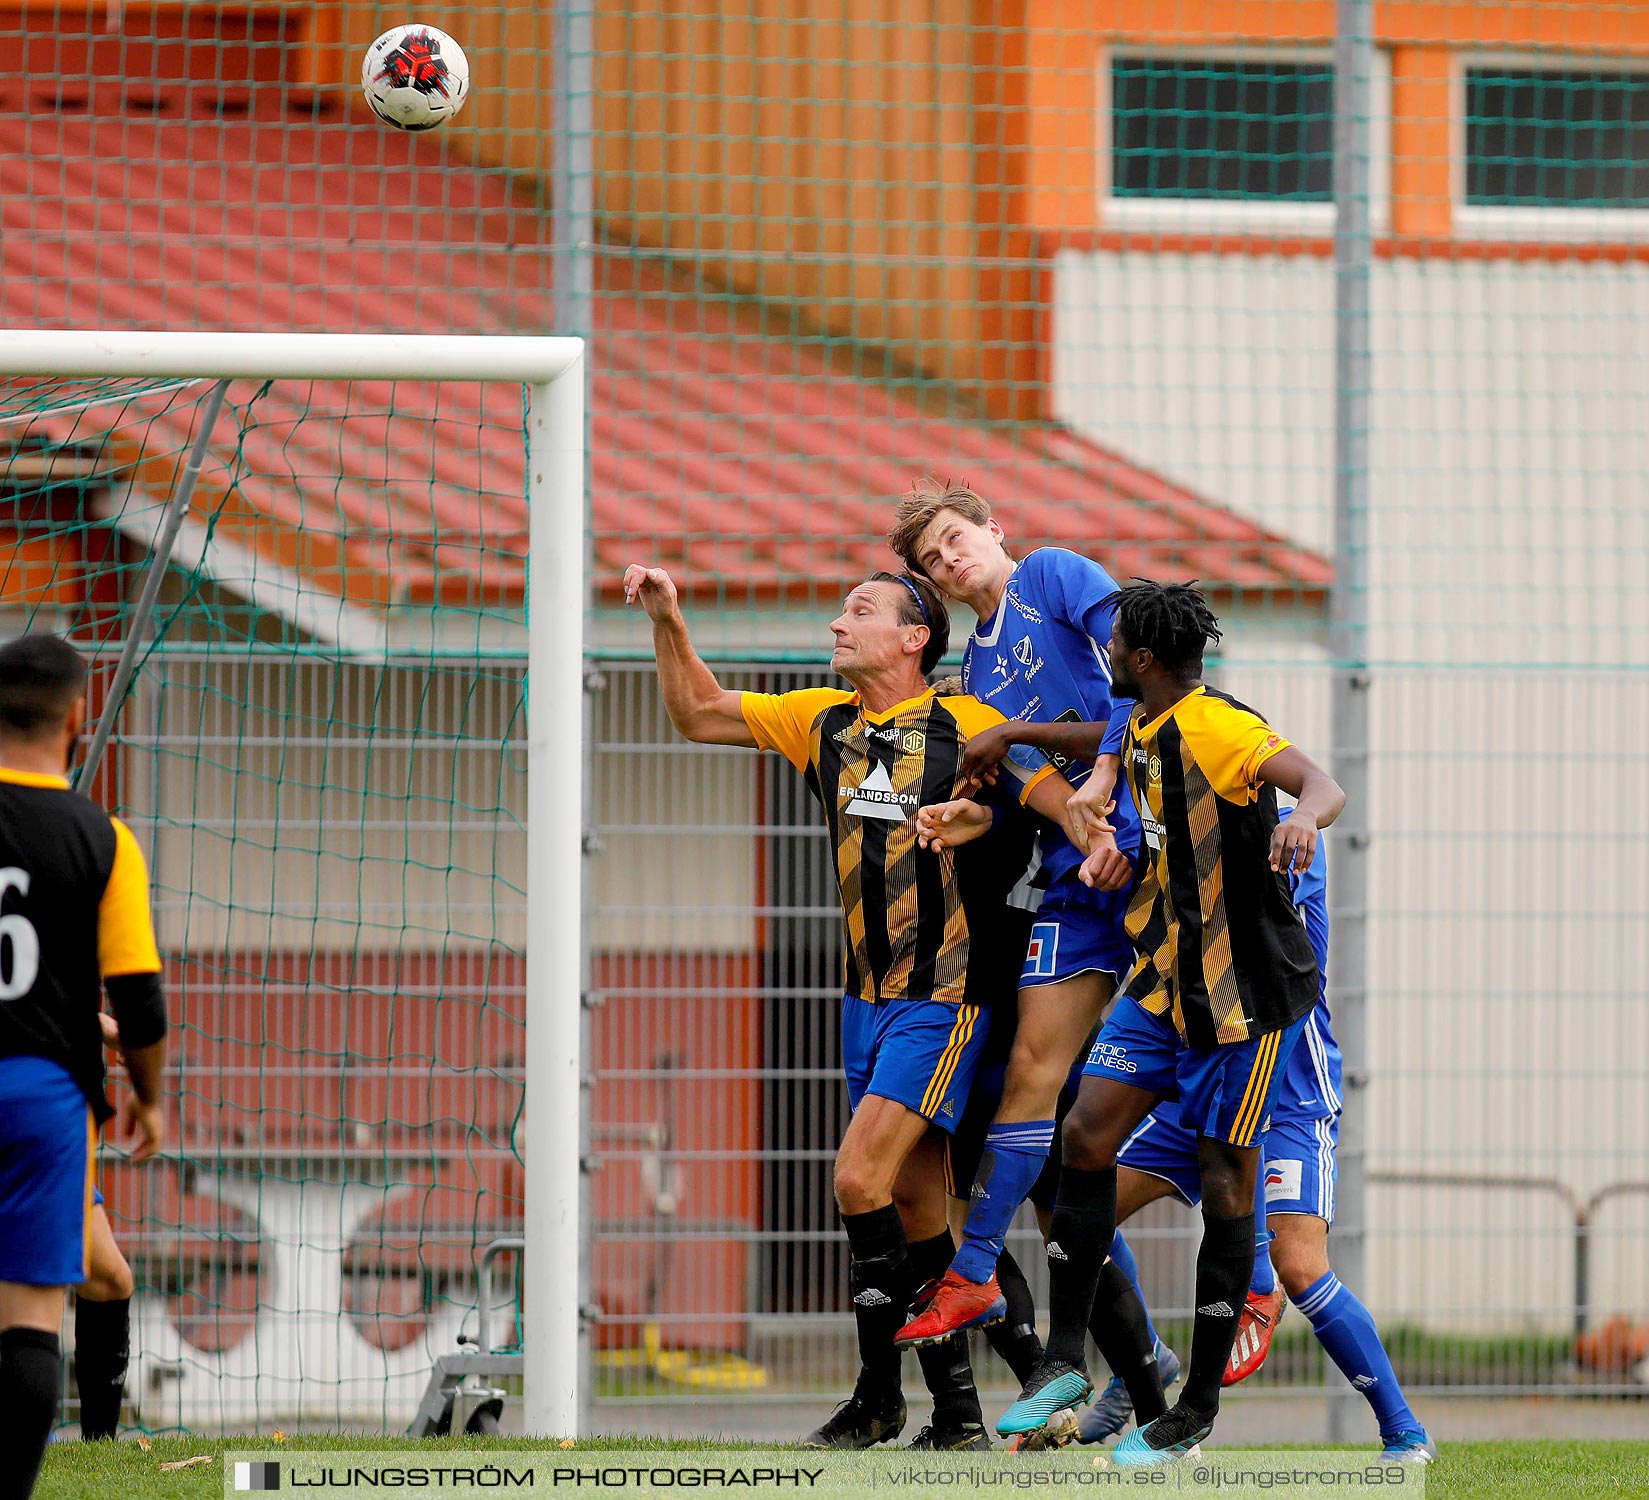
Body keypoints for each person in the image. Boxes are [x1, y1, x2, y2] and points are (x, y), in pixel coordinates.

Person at [622, 563, 1087, 1450]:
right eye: (840, 608)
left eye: (859, 611)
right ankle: (976, 1407)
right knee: (913, 1215)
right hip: (861, 1003)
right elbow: (696, 713)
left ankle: (879, 1398)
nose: (837, 623)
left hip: (943, 1000)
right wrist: (667, 620)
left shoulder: (970, 726)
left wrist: (1090, 837)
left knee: (853, 1180)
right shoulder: (820, 721)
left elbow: (1056, 801)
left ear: (915, 638)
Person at [920, 580, 1343, 1463]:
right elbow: (1113, 762)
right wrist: (1108, 833)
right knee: (1081, 1134)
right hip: (1163, 987)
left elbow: (1318, 780)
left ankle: (1191, 1406)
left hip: (1241, 999)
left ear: (1141, 659)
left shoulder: (1218, 726)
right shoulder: (1136, 721)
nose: (1103, 652)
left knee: (1226, 1188)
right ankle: (1069, 1359)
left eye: (1116, 645)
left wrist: (1302, 815)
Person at [884, 482, 1163, 1435]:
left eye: (957, 539)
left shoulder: (1052, 578)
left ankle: (1224, 1312)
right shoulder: (970, 670)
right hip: (1071, 879)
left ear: (995, 529)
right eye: (932, 559)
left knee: (1180, 1118)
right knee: (1037, 1105)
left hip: (1152, 854)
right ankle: (981, 1285)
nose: (950, 560)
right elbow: (1016, 792)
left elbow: (1155, 676)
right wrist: (974, 812)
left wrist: (1051, 751)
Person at [1082, 820, 1435, 1462]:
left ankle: (1404, 1431)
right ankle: (1145, 1362)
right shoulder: (1175, 819)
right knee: (1080, 1205)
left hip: (1290, 1090)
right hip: (1208, 1080)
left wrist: (1261, 1268)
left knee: (1299, 1266)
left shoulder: (1281, 837)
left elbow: (1267, 998)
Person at [0, 634, 168, 1498]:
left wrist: (85, 1022)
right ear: (78, 716)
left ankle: (99, 1446)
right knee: (31, 1311)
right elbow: (141, 996)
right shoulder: (100, 837)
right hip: (41, 1099)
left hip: (49, 1080)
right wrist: (149, 1092)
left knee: (108, 1273)